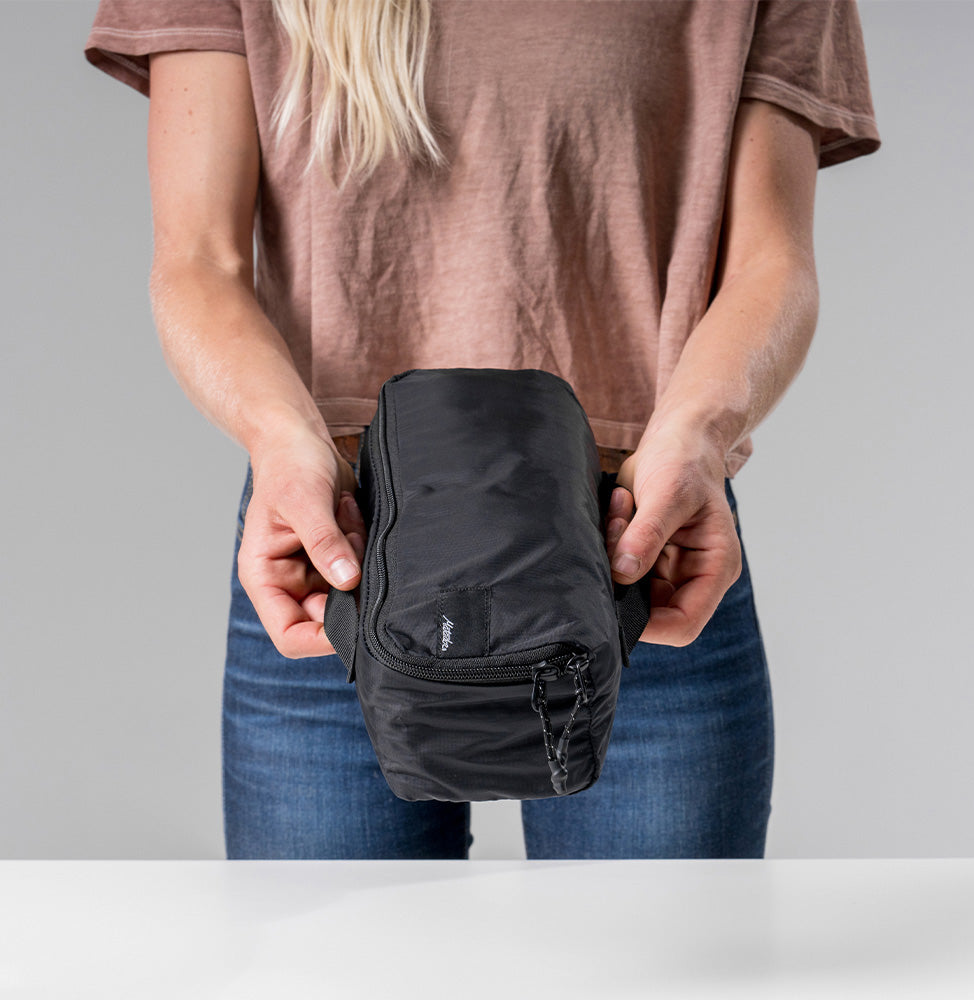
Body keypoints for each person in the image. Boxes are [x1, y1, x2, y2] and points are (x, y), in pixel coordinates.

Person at [83, 0, 881, 860]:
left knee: (661, 973)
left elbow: (773, 261)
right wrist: (280, 440)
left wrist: (701, 431)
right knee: (324, 970)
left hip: (637, 537)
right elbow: (198, 260)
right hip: (339, 543)